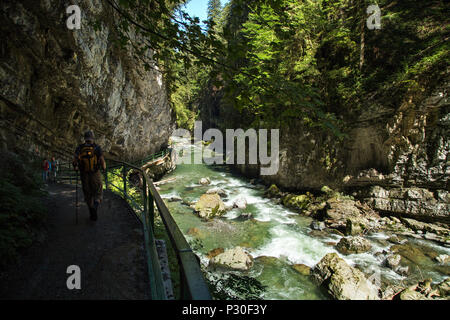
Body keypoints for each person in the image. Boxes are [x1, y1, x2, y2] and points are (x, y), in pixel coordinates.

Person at [73, 131, 106, 221]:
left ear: (85, 138)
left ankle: (91, 210)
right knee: (98, 193)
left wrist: (75, 167)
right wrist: (104, 169)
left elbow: (75, 161)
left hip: (84, 174)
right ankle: (95, 206)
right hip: (95, 173)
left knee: (88, 194)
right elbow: (102, 161)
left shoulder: (80, 148)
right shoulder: (96, 147)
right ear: (92, 138)